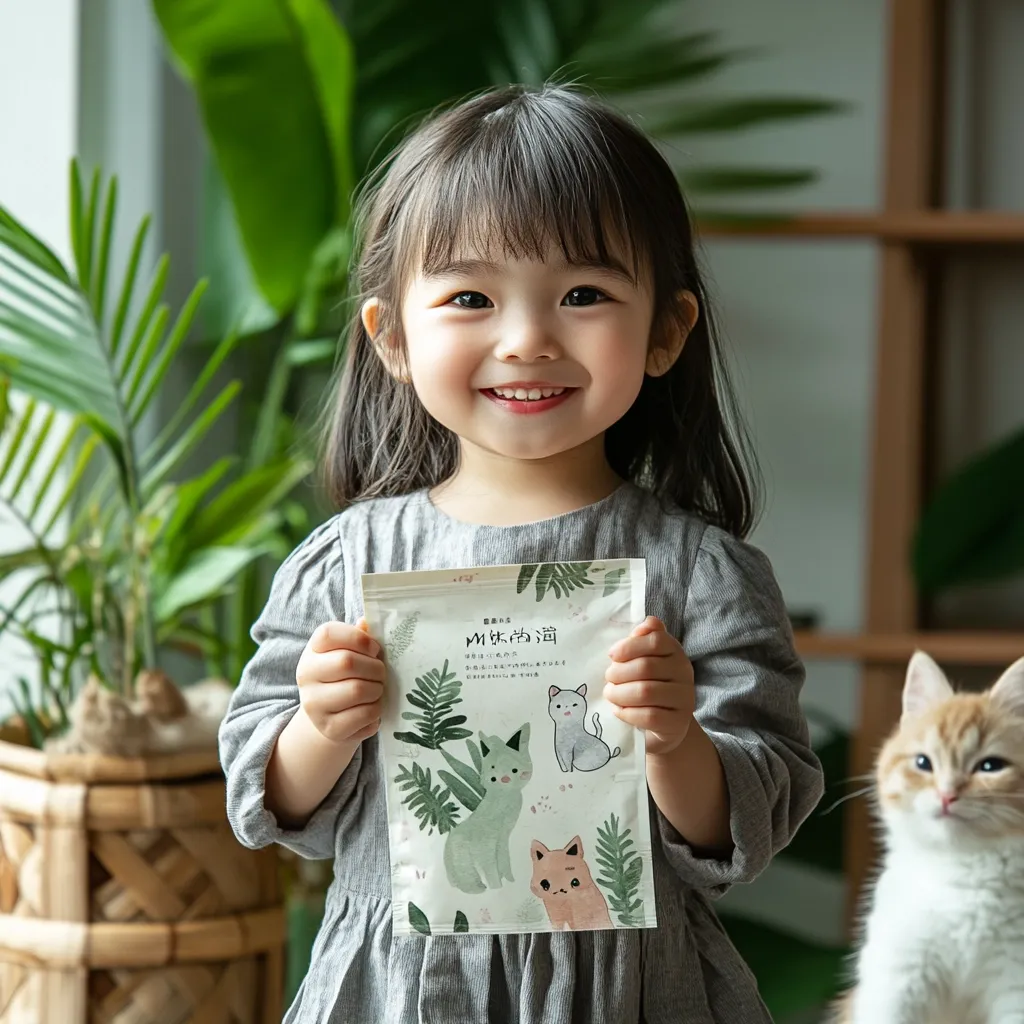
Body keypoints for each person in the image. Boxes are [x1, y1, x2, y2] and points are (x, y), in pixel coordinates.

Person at [220, 83, 824, 1024]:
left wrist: (675, 739)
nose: (527, 339)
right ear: (392, 338)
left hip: (628, 992)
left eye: (583, 295)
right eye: (470, 297)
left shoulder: (699, 574)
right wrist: (321, 727)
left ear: (666, 331)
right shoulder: (344, 564)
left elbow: (748, 818)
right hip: (400, 990)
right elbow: (268, 802)